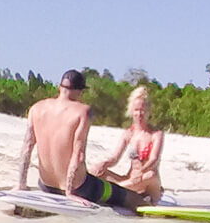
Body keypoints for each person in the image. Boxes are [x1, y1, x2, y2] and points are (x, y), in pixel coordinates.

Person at [15, 69, 145, 210]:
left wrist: (21, 183)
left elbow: (27, 148)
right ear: (79, 91)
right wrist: (69, 192)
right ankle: (145, 205)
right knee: (130, 198)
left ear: (59, 87)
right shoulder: (83, 111)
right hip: (80, 187)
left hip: (46, 185)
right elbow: (78, 154)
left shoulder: (36, 108)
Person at [89, 85, 165, 204]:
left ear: (148, 111)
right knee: (95, 170)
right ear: (131, 111)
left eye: (142, 110)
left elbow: (154, 159)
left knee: (150, 174)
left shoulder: (156, 134)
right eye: (136, 110)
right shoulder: (128, 134)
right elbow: (115, 158)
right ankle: (119, 189)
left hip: (147, 184)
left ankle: (113, 190)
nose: (139, 114)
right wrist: (104, 164)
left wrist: (142, 171)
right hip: (130, 180)